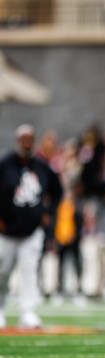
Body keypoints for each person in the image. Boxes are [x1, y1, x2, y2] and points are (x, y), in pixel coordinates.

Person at [0, 124, 63, 328]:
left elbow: (57, 191)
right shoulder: (5, 165)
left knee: (29, 271)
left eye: (30, 139)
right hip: (6, 231)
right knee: (2, 271)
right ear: (18, 141)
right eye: (23, 139)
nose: (26, 144)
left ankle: (28, 311)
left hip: (32, 230)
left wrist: (48, 213)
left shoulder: (42, 167)